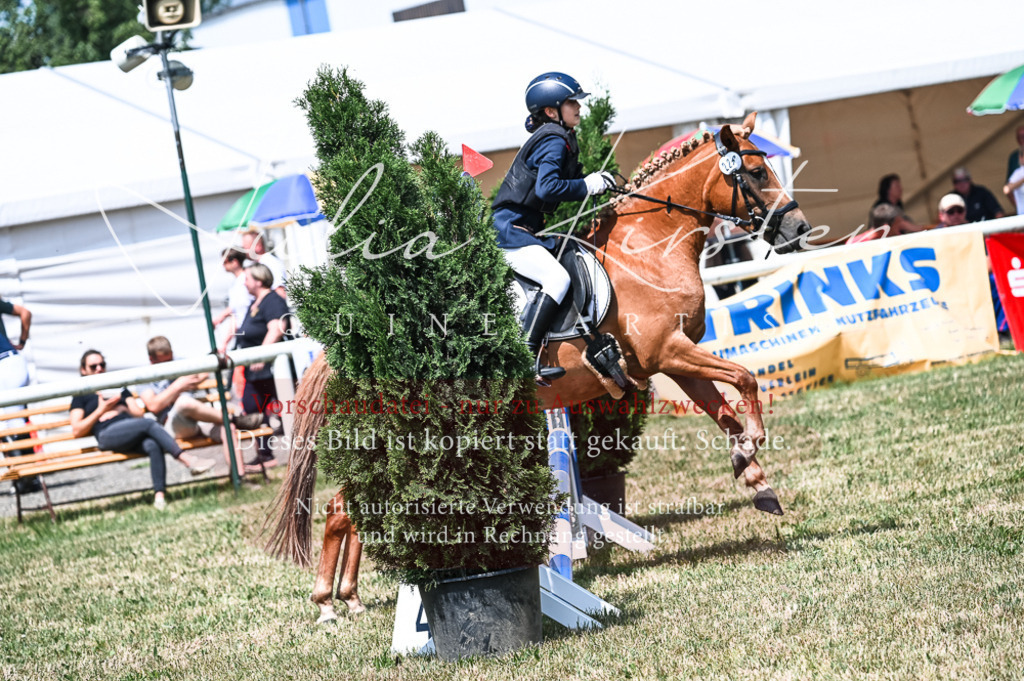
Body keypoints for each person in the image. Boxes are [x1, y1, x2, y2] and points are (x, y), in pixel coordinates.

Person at [491, 71, 615, 382]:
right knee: (557, 279)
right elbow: (547, 189)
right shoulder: (553, 139)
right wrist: (587, 185)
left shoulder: (558, 137)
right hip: (510, 232)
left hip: (524, 229)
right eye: (572, 102)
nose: (579, 107)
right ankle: (525, 355)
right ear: (551, 110)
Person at [69, 350, 214, 510]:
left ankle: (160, 498)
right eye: (93, 366)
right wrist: (101, 410)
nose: (99, 369)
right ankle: (187, 460)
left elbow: (137, 413)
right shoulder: (81, 393)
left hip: (132, 432)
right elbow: (77, 429)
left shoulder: (117, 388)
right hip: (107, 434)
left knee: (152, 444)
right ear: (83, 370)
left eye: (102, 365)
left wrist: (121, 409)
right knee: (148, 424)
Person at [137, 336, 263, 440]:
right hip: (175, 425)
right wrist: (177, 387)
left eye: (170, 360)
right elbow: (153, 406)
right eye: (163, 362)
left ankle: (237, 471)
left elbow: (204, 372)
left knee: (228, 429)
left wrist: (191, 380)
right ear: (151, 359)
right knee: (184, 402)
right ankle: (234, 419)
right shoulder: (144, 376)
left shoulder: (178, 362)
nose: (168, 365)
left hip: (201, 419)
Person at [234, 264, 289, 472]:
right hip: (255, 372)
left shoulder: (272, 300)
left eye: (247, 278)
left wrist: (263, 354)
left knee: (293, 407)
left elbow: (277, 327)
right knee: (252, 409)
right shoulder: (254, 303)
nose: (244, 282)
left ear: (258, 280)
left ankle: (307, 448)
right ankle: (265, 455)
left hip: (271, 368)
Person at [0, 297, 40, 494]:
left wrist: (21, 343)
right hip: (9, 362)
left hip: (5, 364)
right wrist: (21, 342)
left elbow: (25, 313)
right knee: (8, 425)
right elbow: (25, 313)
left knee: (12, 425)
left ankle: (27, 477)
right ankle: (22, 477)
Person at [212, 247, 254, 354]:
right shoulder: (236, 284)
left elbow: (239, 308)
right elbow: (235, 313)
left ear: (234, 262)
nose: (223, 265)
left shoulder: (245, 281)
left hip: (251, 331)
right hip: (244, 332)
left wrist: (221, 317)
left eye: (225, 262)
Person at [240, 230, 287, 299]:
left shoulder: (271, 262)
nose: (243, 251)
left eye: (246, 248)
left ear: (258, 246)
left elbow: (280, 292)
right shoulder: (257, 263)